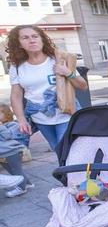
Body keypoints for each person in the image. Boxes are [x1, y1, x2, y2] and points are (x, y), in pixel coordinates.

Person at [7, 25, 87, 153]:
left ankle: (75, 172)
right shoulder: (16, 66)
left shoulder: (59, 59)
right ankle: (67, 173)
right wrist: (21, 120)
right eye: (25, 38)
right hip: (40, 118)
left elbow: (83, 86)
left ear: (42, 39)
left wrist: (67, 72)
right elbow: (16, 95)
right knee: (58, 151)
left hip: (65, 114)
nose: (31, 40)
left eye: (35, 36)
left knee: (67, 151)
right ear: (19, 44)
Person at [0, 102, 33, 197]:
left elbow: (7, 136)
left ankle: (21, 188)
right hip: (3, 154)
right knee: (11, 170)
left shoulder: (12, 125)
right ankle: (27, 183)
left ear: (7, 114)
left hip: (12, 152)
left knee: (16, 170)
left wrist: (1, 127)